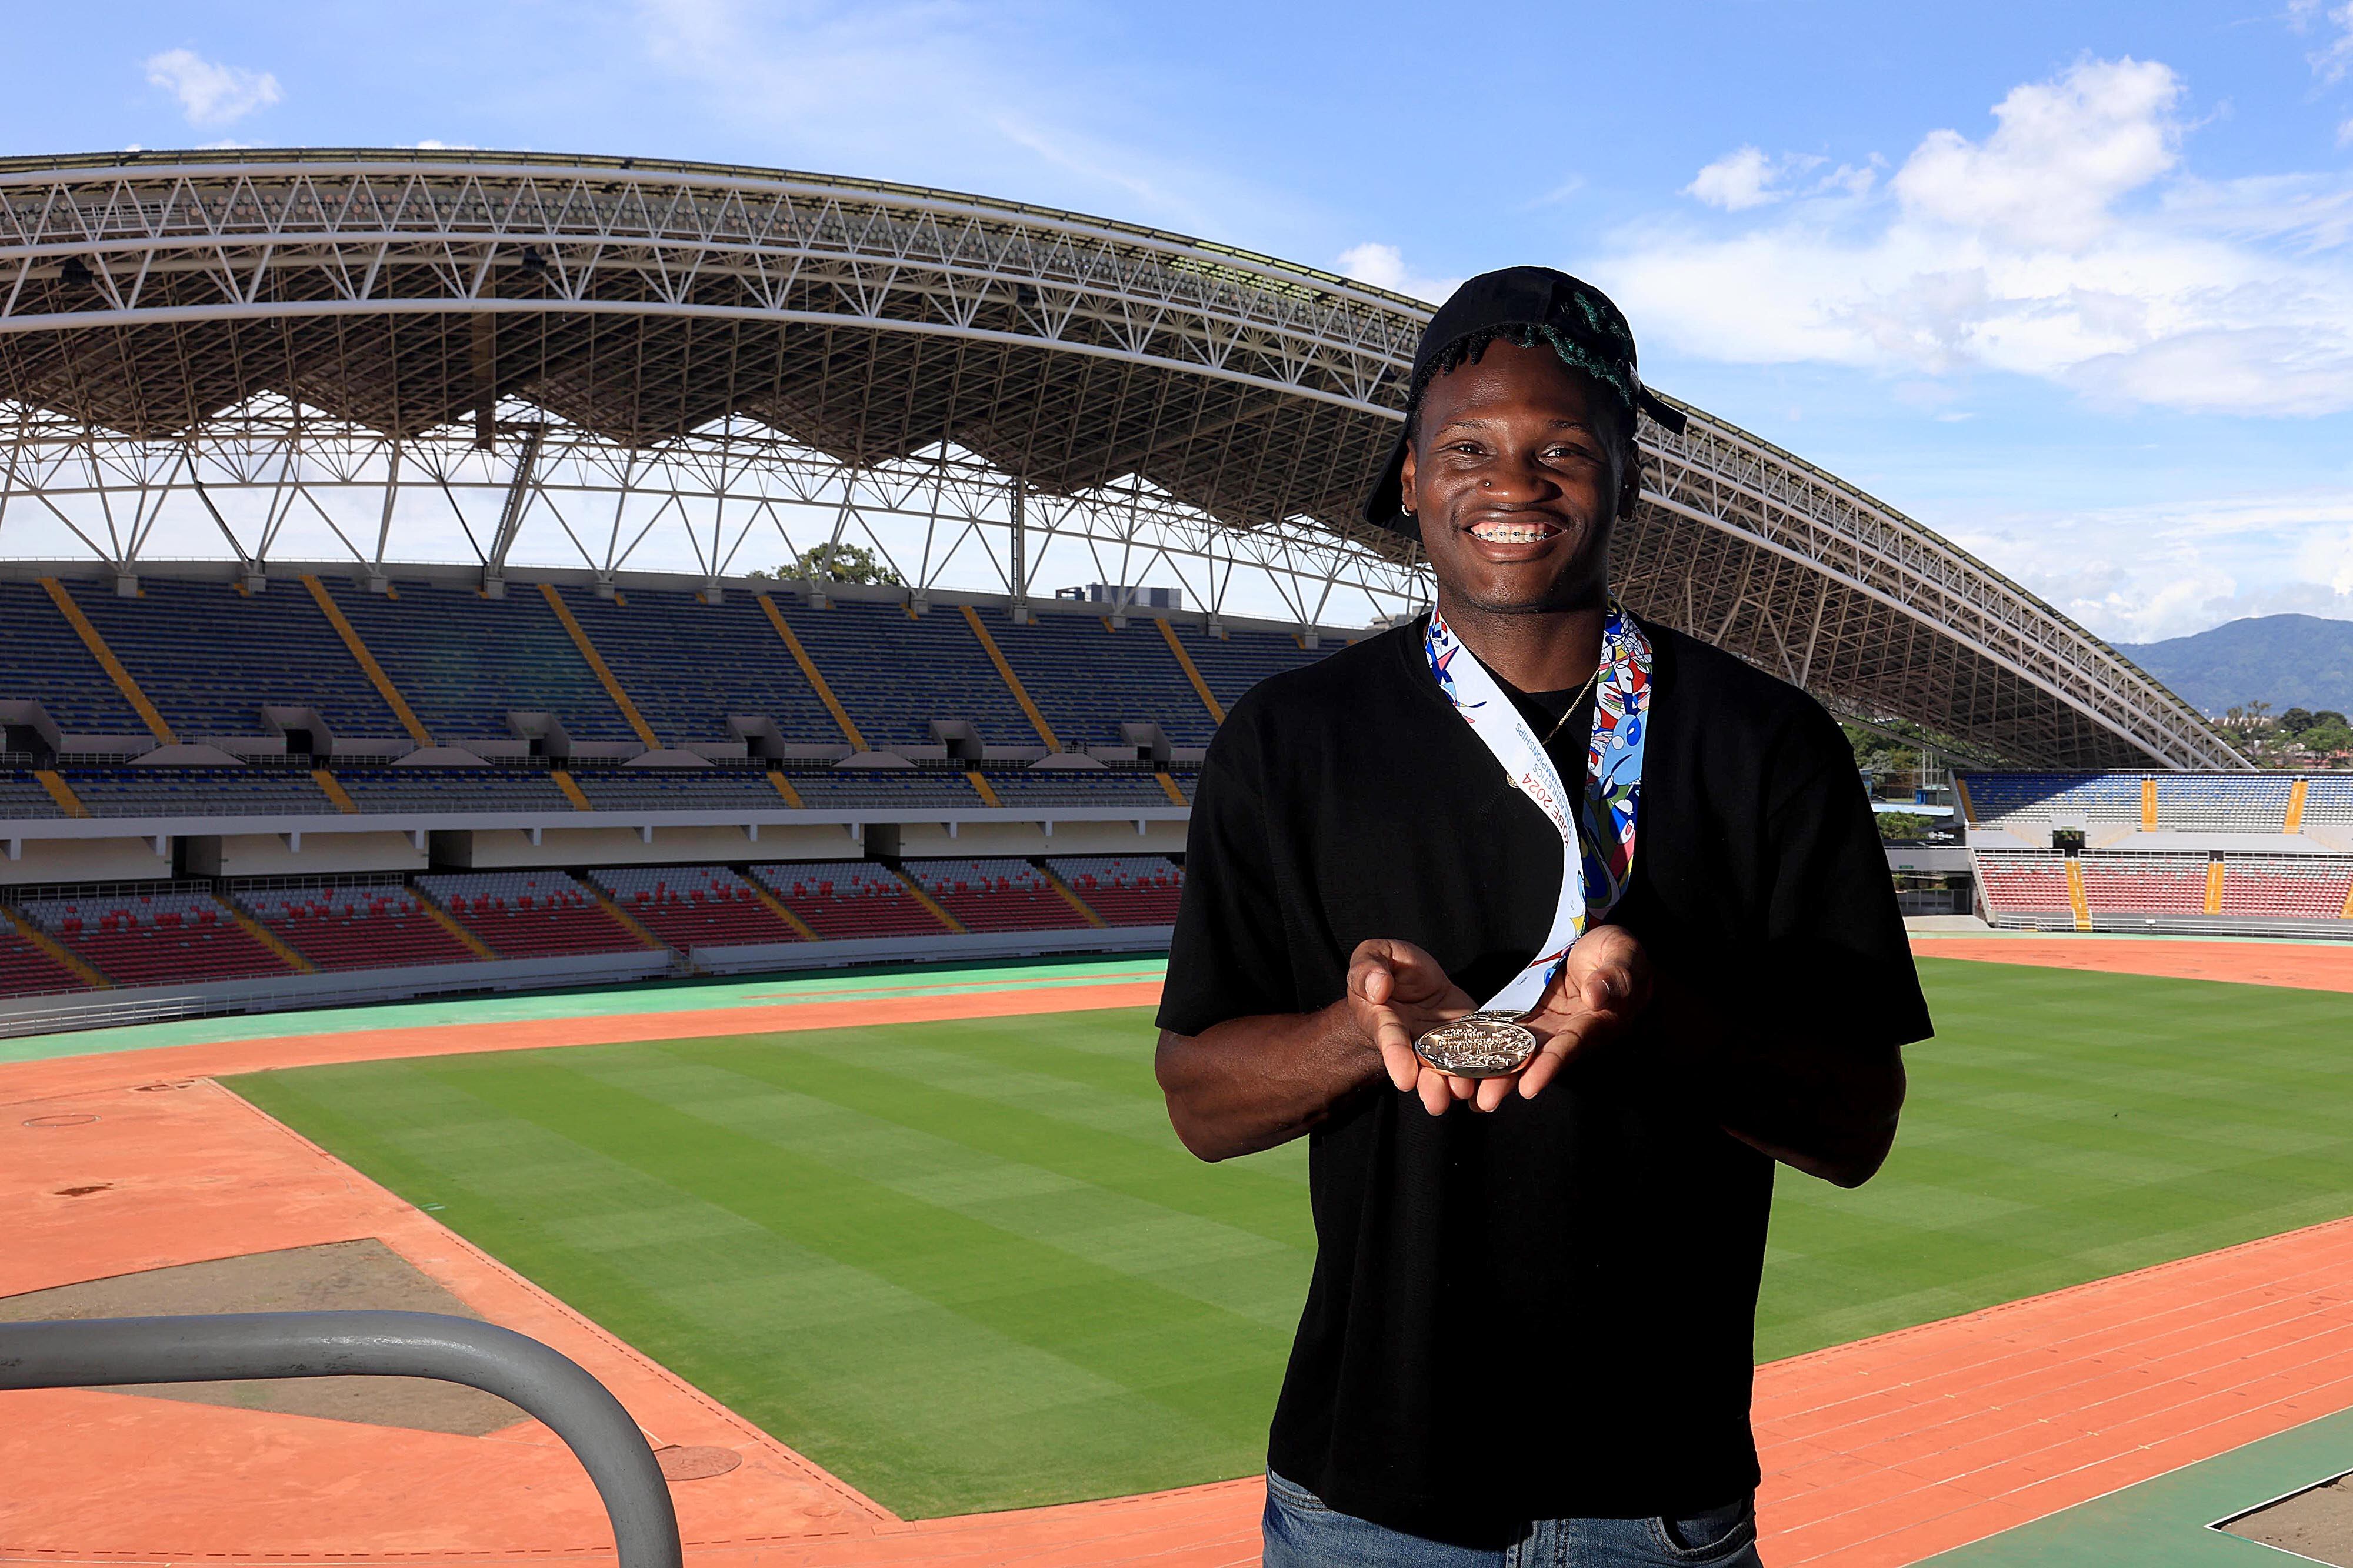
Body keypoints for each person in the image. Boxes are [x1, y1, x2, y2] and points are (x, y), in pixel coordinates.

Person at [1153, 267, 1931, 1567]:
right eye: (1465, 448)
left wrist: (1659, 1017)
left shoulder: (1765, 745)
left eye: (1561, 449)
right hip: (1366, 1504)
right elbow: (1196, 1101)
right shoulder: (1289, 743)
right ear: (1407, 478)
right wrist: (1364, 1034)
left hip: (1656, 1496)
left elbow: (1856, 1125)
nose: (1511, 485)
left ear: (1629, 476)